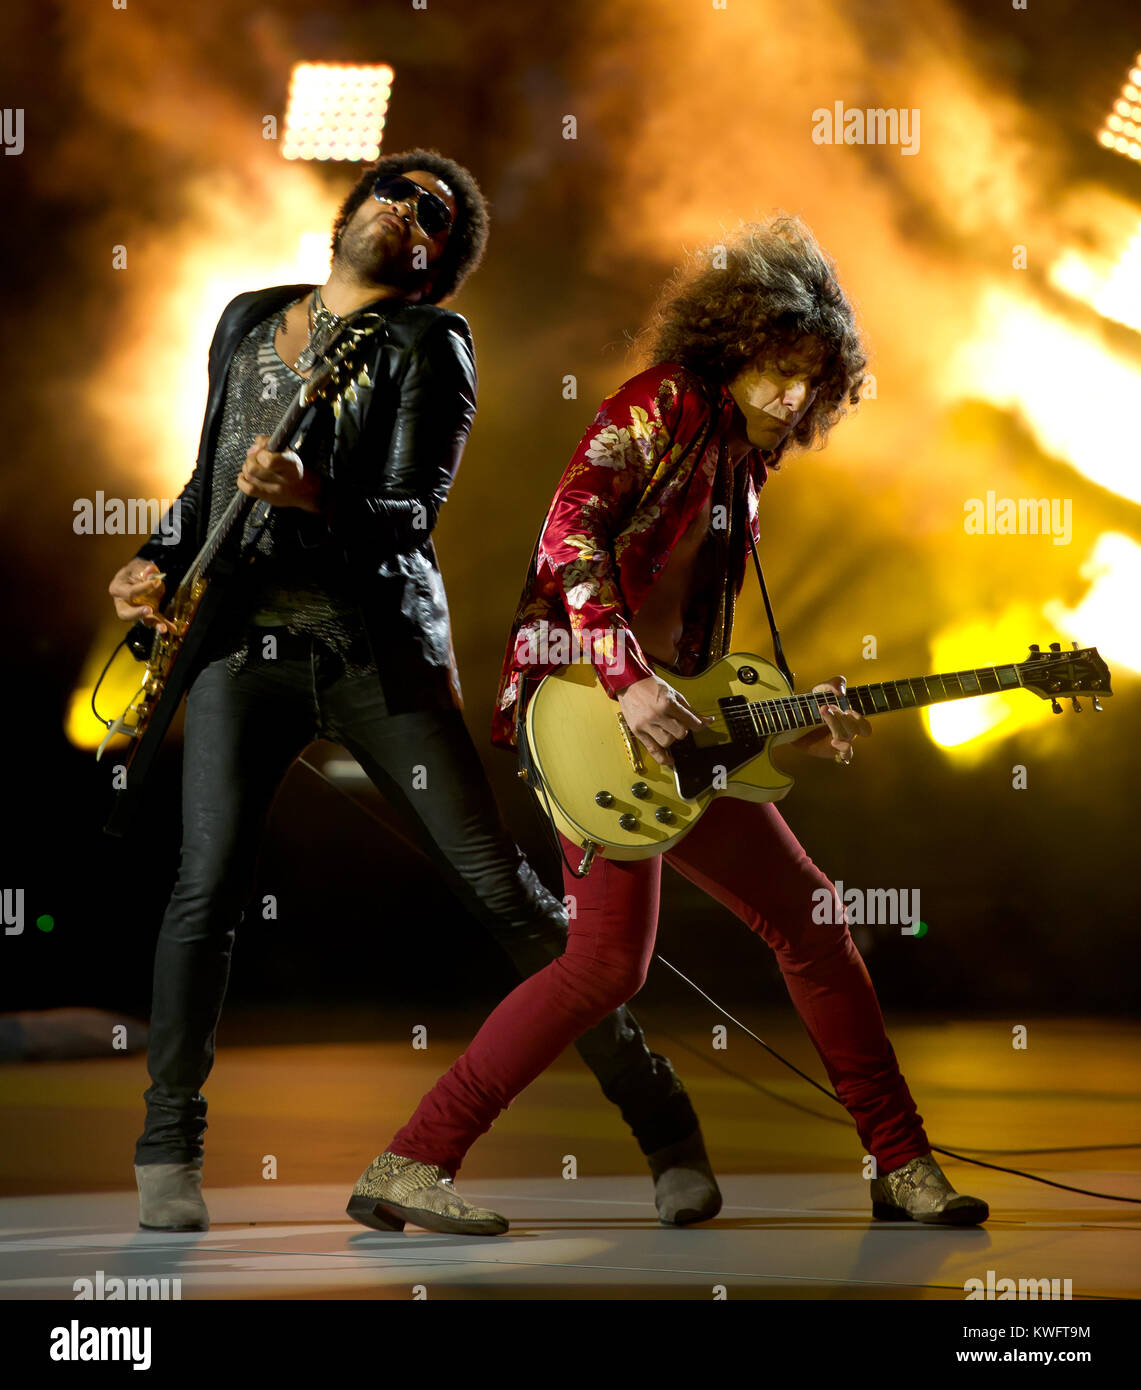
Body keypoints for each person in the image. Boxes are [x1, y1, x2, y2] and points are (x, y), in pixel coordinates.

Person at [107, 148, 722, 1233]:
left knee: (500, 893)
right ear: (350, 211)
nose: (406, 211)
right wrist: (158, 559)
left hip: (371, 651)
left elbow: (406, 518)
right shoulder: (249, 318)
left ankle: (664, 1125)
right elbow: (208, 483)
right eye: (394, 192)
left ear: (431, 265)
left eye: (432, 215)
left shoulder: (428, 343)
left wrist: (310, 495)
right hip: (240, 646)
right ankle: (168, 1152)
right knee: (201, 895)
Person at [347, 215, 989, 1235]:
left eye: (813, 379)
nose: (795, 395)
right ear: (732, 350)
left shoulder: (744, 459)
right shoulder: (662, 405)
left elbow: (700, 645)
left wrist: (784, 721)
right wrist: (625, 678)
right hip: (583, 702)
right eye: (779, 369)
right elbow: (570, 535)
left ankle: (901, 1163)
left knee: (797, 924)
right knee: (622, 961)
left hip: (673, 722)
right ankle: (411, 1160)